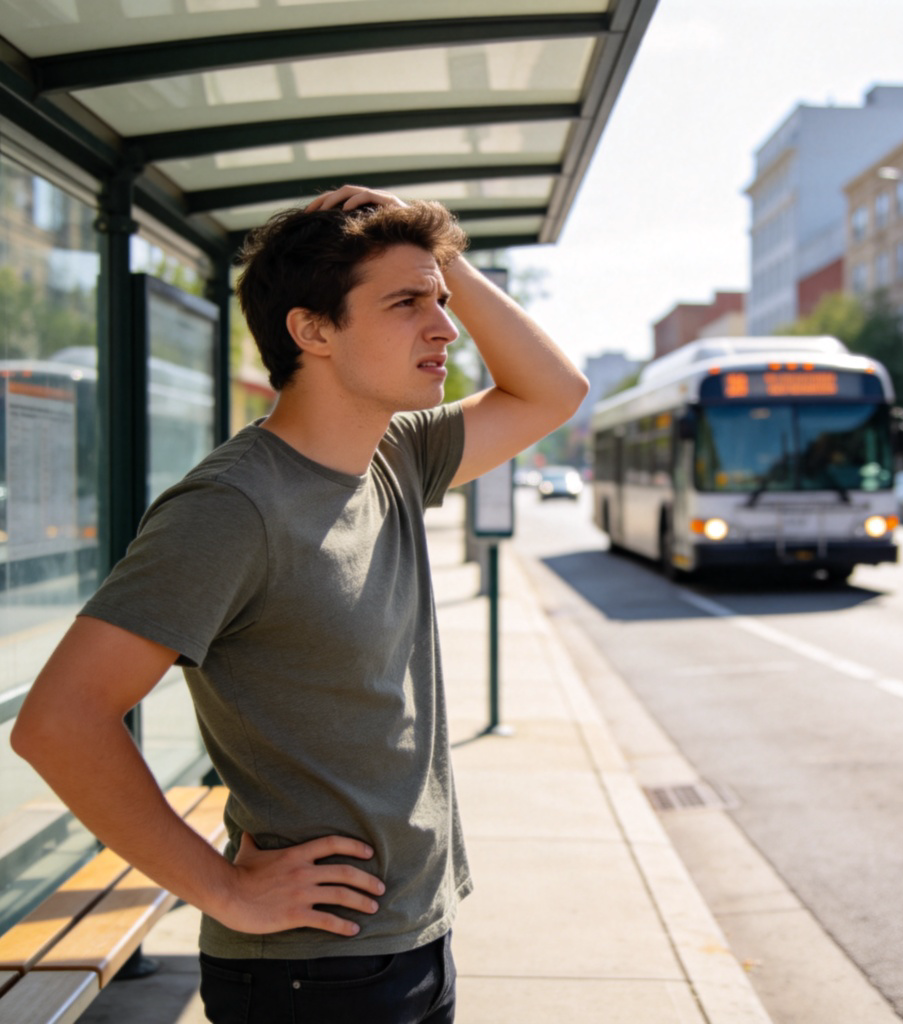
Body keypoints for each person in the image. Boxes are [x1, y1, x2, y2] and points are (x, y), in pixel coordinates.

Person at [11, 184, 588, 1023]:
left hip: (413, 934)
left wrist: (440, 254)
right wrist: (227, 893)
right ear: (312, 331)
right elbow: (59, 721)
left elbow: (552, 392)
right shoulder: (231, 509)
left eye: (441, 298)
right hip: (311, 977)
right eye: (407, 302)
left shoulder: (394, 454)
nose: (447, 326)